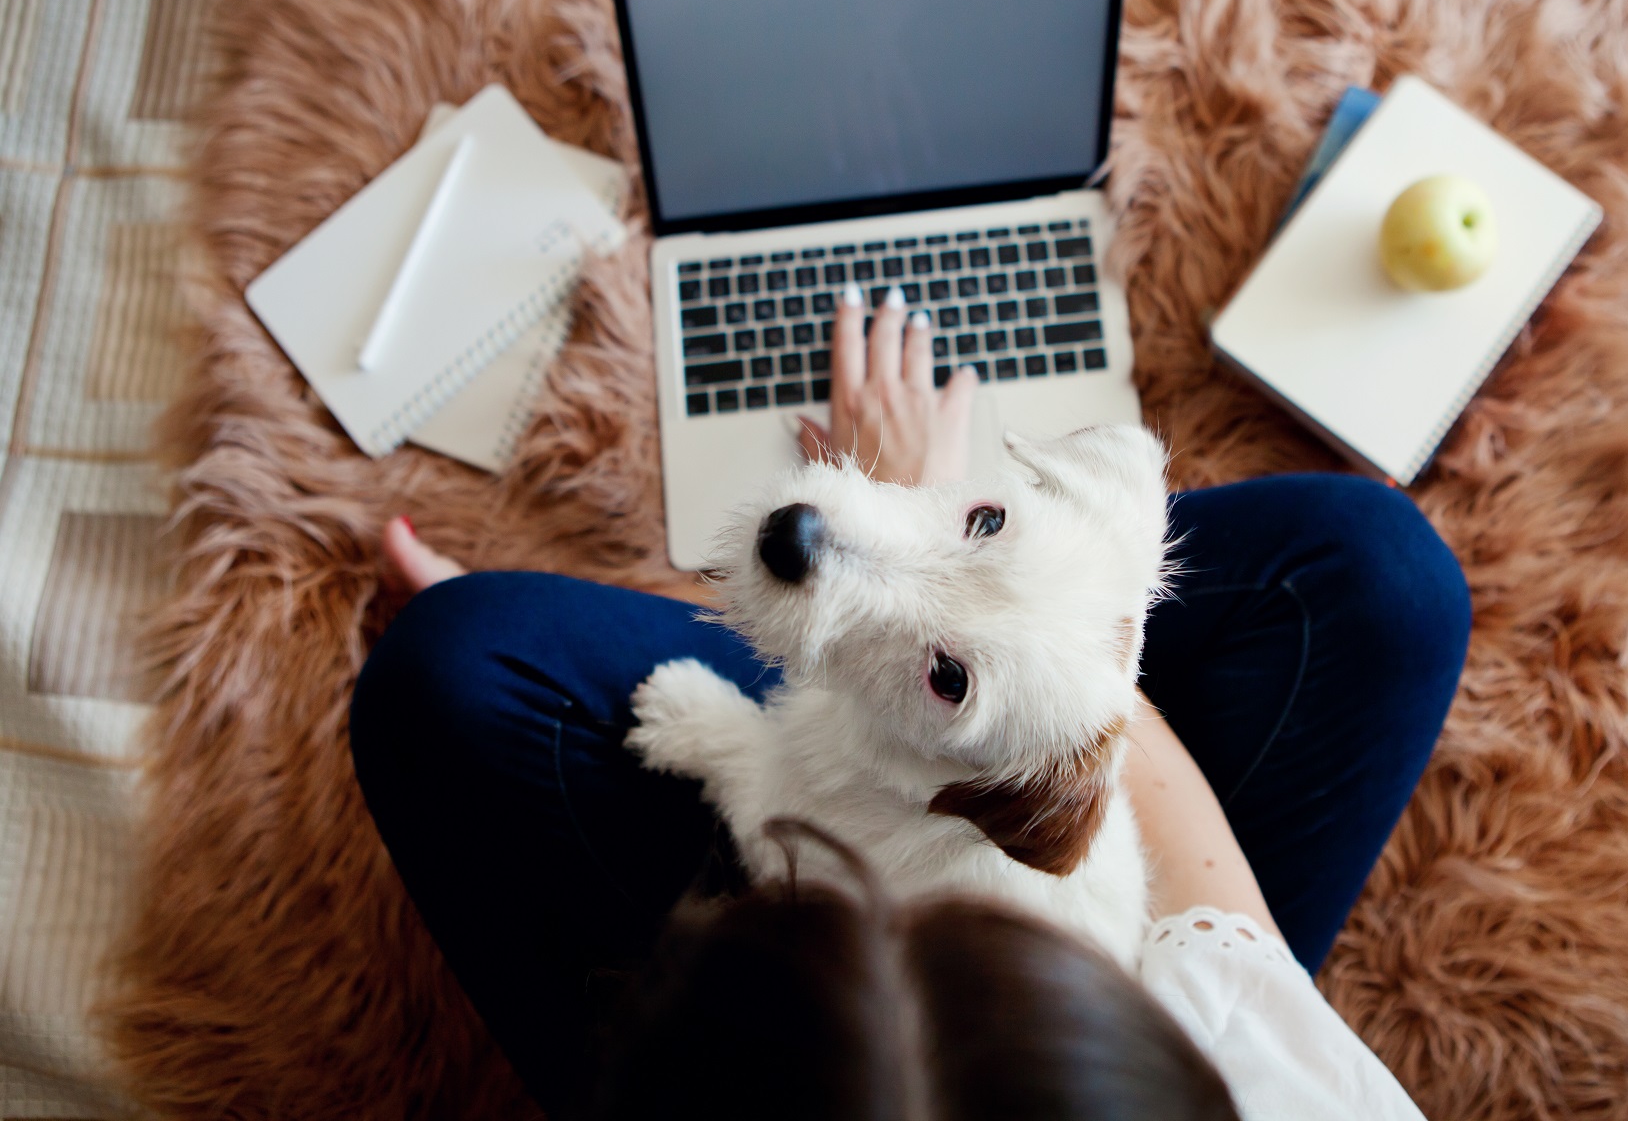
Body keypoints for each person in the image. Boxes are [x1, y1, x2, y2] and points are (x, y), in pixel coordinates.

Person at [351, 286, 1472, 1120]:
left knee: (447, 666)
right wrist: (1064, 643)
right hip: (1088, 955)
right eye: (987, 520)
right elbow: (1209, 914)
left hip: (819, 994)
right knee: (1385, 578)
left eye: (953, 680)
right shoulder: (1268, 1081)